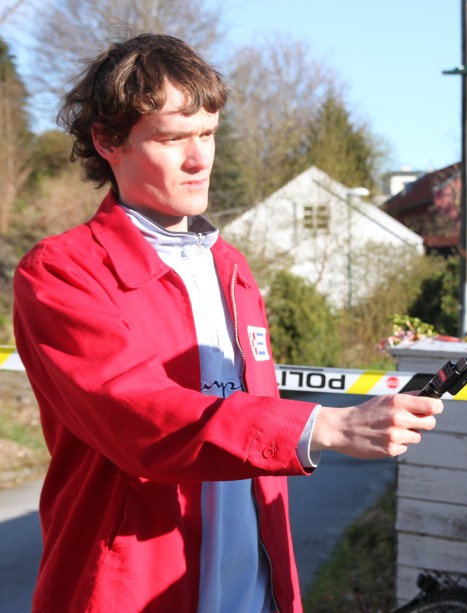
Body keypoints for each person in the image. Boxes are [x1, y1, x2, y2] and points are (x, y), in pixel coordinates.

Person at [12, 34, 443, 613]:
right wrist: (320, 427)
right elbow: (139, 417)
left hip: (256, 592)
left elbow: (255, 452)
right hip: (130, 590)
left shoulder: (231, 267)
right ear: (107, 140)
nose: (200, 159)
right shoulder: (62, 271)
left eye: (208, 134)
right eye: (171, 138)